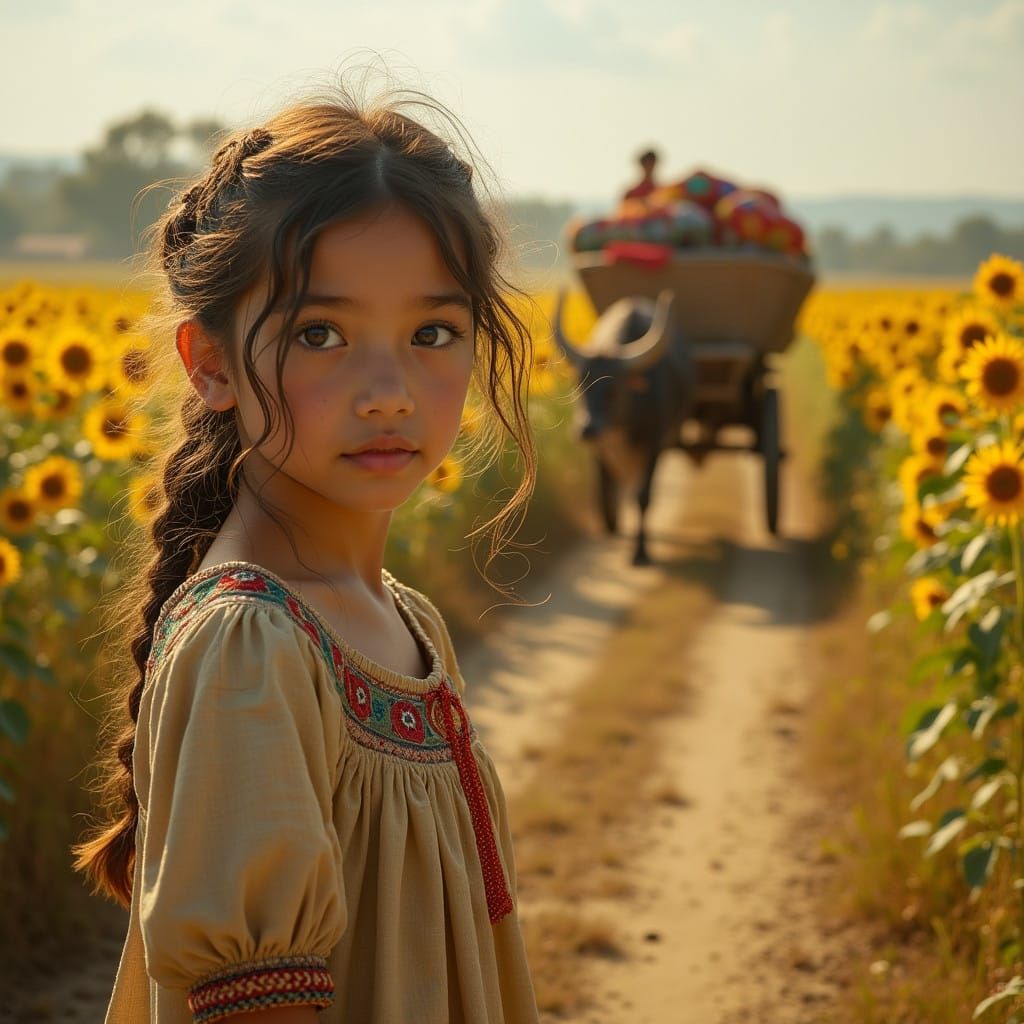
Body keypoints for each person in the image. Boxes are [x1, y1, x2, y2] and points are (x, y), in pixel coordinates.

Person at [72, 80, 541, 1024]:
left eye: (433, 333)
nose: (389, 392)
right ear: (208, 362)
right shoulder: (253, 648)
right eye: (321, 333)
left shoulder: (403, 620)